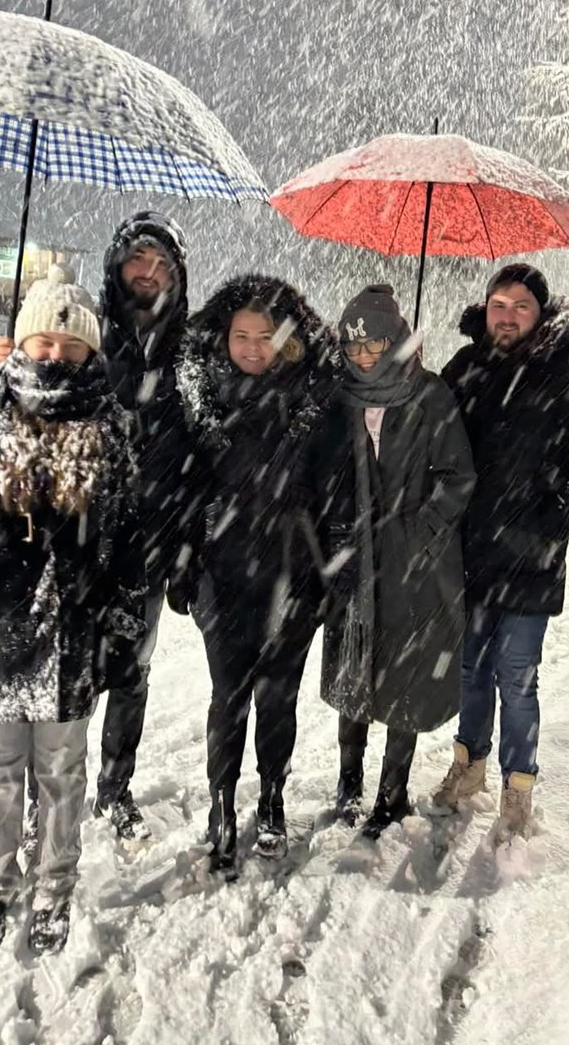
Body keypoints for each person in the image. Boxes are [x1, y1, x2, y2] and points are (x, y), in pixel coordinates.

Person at [0, 266, 145, 955]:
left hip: (73, 633)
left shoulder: (112, 426)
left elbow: (128, 540)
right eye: (44, 341)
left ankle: (53, 888)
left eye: (71, 346)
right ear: (23, 341)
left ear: (90, 350)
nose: (55, 355)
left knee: (62, 773)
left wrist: (122, 623)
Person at [0, 212, 191, 843]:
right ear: (117, 266)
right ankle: (42, 803)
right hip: (78, 541)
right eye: (138, 260)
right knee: (65, 674)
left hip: (149, 543)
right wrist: (11, 365)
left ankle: (115, 789)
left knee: (131, 673)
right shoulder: (86, 333)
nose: (148, 273)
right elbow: (39, 392)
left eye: (161, 264)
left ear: (176, 275)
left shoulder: (190, 348)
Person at [431, 263, 569, 840]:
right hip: (469, 554)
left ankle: (518, 787)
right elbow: (432, 445)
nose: (507, 316)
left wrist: (549, 525)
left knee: (516, 676)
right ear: (485, 309)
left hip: (532, 560)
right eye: (499, 305)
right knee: (469, 669)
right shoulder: (465, 368)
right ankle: (468, 765)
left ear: (540, 313)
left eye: (521, 306)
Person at [170, 273, 338, 869]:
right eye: (241, 335)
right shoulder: (200, 400)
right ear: (223, 337)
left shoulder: (315, 402)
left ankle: (271, 799)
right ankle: (221, 805)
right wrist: (182, 562)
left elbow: (334, 491)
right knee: (228, 695)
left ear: (285, 339)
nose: (251, 347)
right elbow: (184, 489)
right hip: (223, 574)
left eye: (264, 336)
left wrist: (331, 570)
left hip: (293, 571)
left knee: (277, 698)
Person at [317, 285, 475, 837]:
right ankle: (348, 782)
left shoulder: (430, 396)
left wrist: (419, 533)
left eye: (374, 344)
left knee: (404, 674)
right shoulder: (339, 399)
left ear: (395, 340)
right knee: (355, 668)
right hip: (356, 560)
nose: (363, 357)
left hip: (414, 565)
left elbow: (459, 477)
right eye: (353, 346)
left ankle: (392, 793)